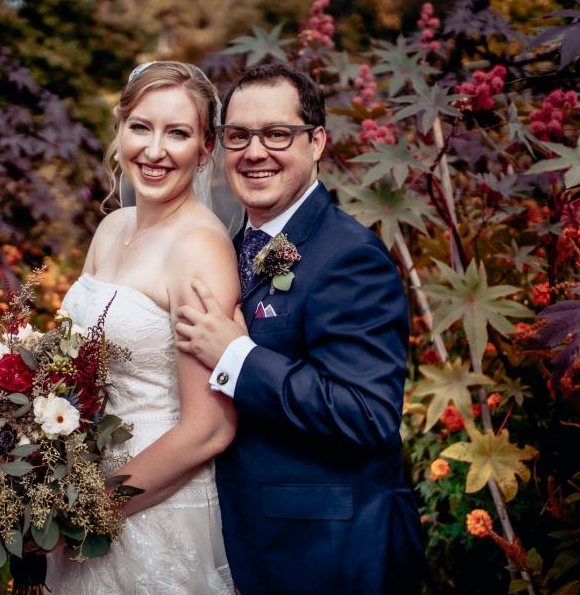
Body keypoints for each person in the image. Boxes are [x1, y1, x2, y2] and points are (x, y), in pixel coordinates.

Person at [174, 63, 424, 594]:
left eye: (277, 134)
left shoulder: (350, 256)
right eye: (238, 135)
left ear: (317, 142)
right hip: (229, 539)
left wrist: (237, 357)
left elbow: (366, 413)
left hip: (325, 552)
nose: (254, 151)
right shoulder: (227, 247)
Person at [46, 61, 238, 594]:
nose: (154, 151)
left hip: (153, 504)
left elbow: (211, 427)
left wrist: (92, 511)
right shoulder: (111, 228)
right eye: (141, 127)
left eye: (177, 133)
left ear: (204, 150)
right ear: (120, 129)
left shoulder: (199, 248)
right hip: (77, 488)